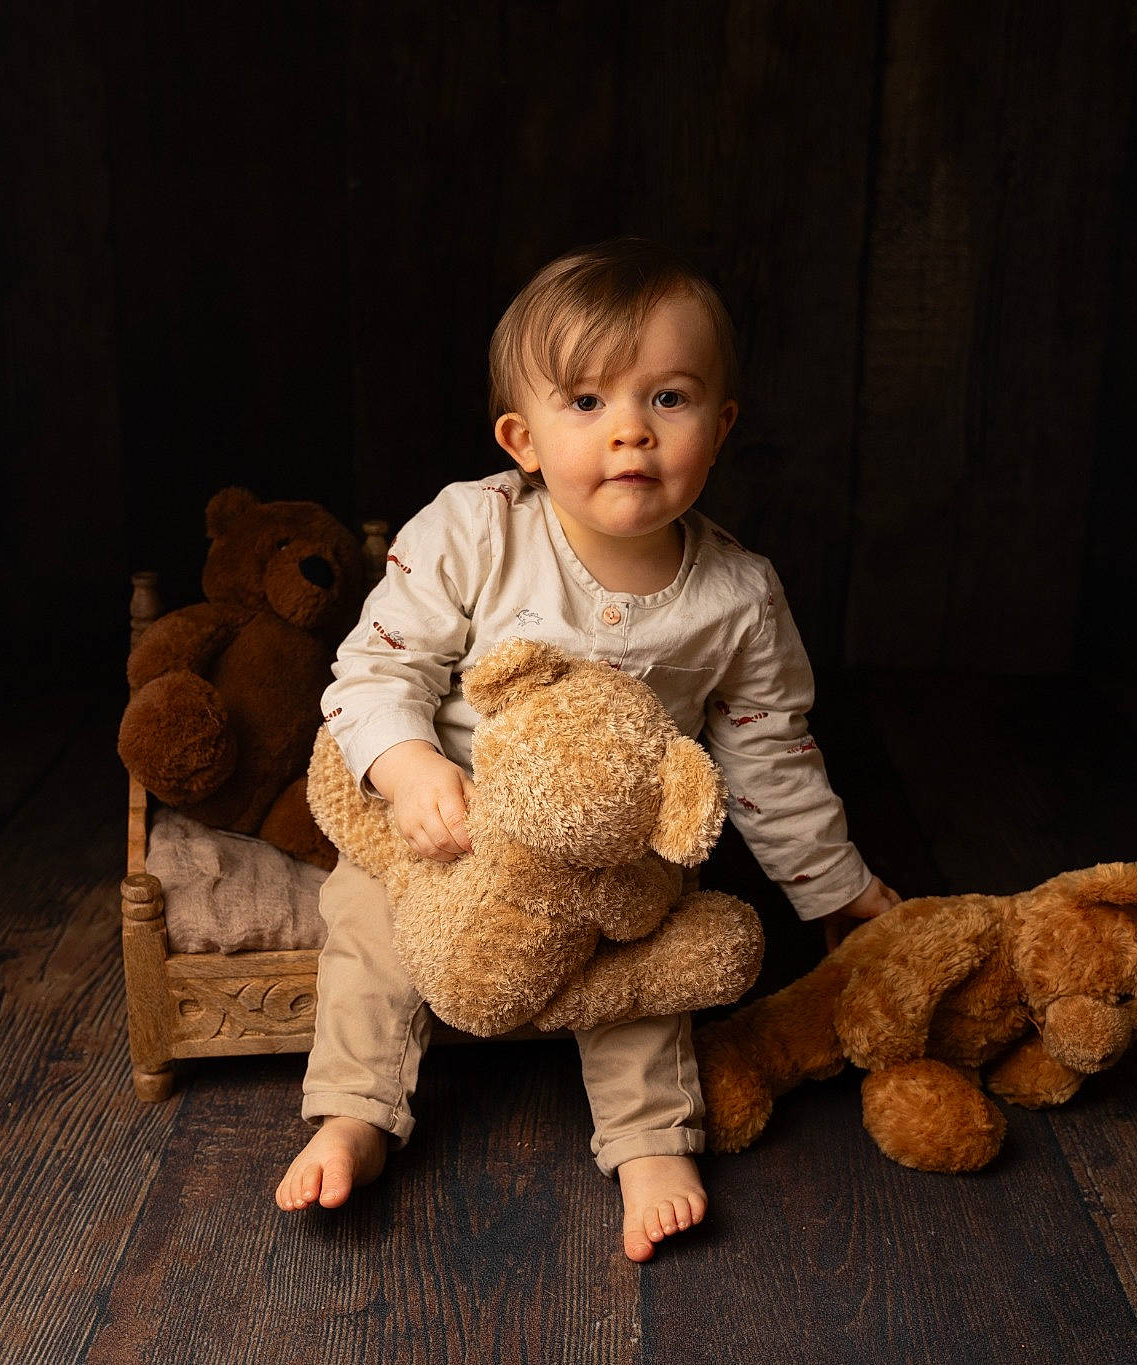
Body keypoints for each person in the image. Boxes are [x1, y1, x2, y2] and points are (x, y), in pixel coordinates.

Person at [274, 238, 901, 1261]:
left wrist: (836, 889)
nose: (629, 435)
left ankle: (650, 1139)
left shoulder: (736, 597)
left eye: (667, 399)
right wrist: (410, 768)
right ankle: (353, 1109)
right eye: (585, 404)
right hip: (452, 829)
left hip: (610, 856)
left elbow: (769, 759)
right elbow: (374, 673)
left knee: (648, 965)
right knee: (361, 920)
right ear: (521, 437)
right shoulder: (473, 533)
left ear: (721, 424)